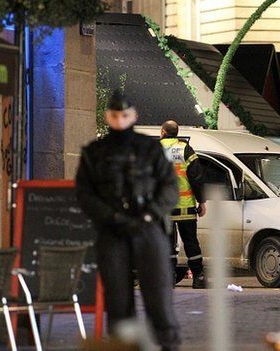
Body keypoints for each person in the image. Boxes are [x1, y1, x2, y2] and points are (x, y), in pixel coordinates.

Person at [75, 91, 180, 350]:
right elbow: (85, 194)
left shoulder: (150, 149)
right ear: (107, 116)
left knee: (158, 296)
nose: (120, 120)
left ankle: (167, 344)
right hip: (112, 231)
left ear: (133, 116)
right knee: (119, 301)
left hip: (148, 227)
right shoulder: (94, 153)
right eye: (114, 115)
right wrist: (112, 217)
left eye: (124, 115)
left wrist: (148, 214)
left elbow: (169, 188)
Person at [160, 120, 207, 289]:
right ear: (176, 132)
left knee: (166, 244)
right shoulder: (186, 149)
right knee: (191, 243)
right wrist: (201, 201)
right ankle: (198, 278)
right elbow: (197, 178)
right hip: (186, 207)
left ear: (163, 132)